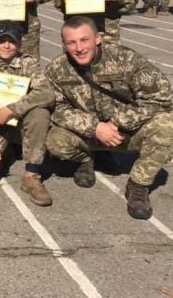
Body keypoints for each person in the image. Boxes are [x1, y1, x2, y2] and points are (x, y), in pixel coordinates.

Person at [46, 16, 173, 219]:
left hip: (128, 133)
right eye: (71, 42)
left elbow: (161, 99)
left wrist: (117, 123)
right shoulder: (56, 70)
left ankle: (138, 186)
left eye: (84, 40)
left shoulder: (125, 59)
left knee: (167, 125)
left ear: (98, 38)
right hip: (90, 134)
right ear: (64, 45)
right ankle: (87, 159)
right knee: (54, 140)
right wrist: (95, 127)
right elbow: (56, 108)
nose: (79, 48)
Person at [0, 21, 54, 206]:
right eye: (2, 40)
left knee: (40, 113)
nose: (7, 46)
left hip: (22, 124)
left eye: (12, 41)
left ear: (20, 43)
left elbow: (47, 93)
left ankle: (32, 175)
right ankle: (8, 151)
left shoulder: (29, 64)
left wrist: (11, 109)